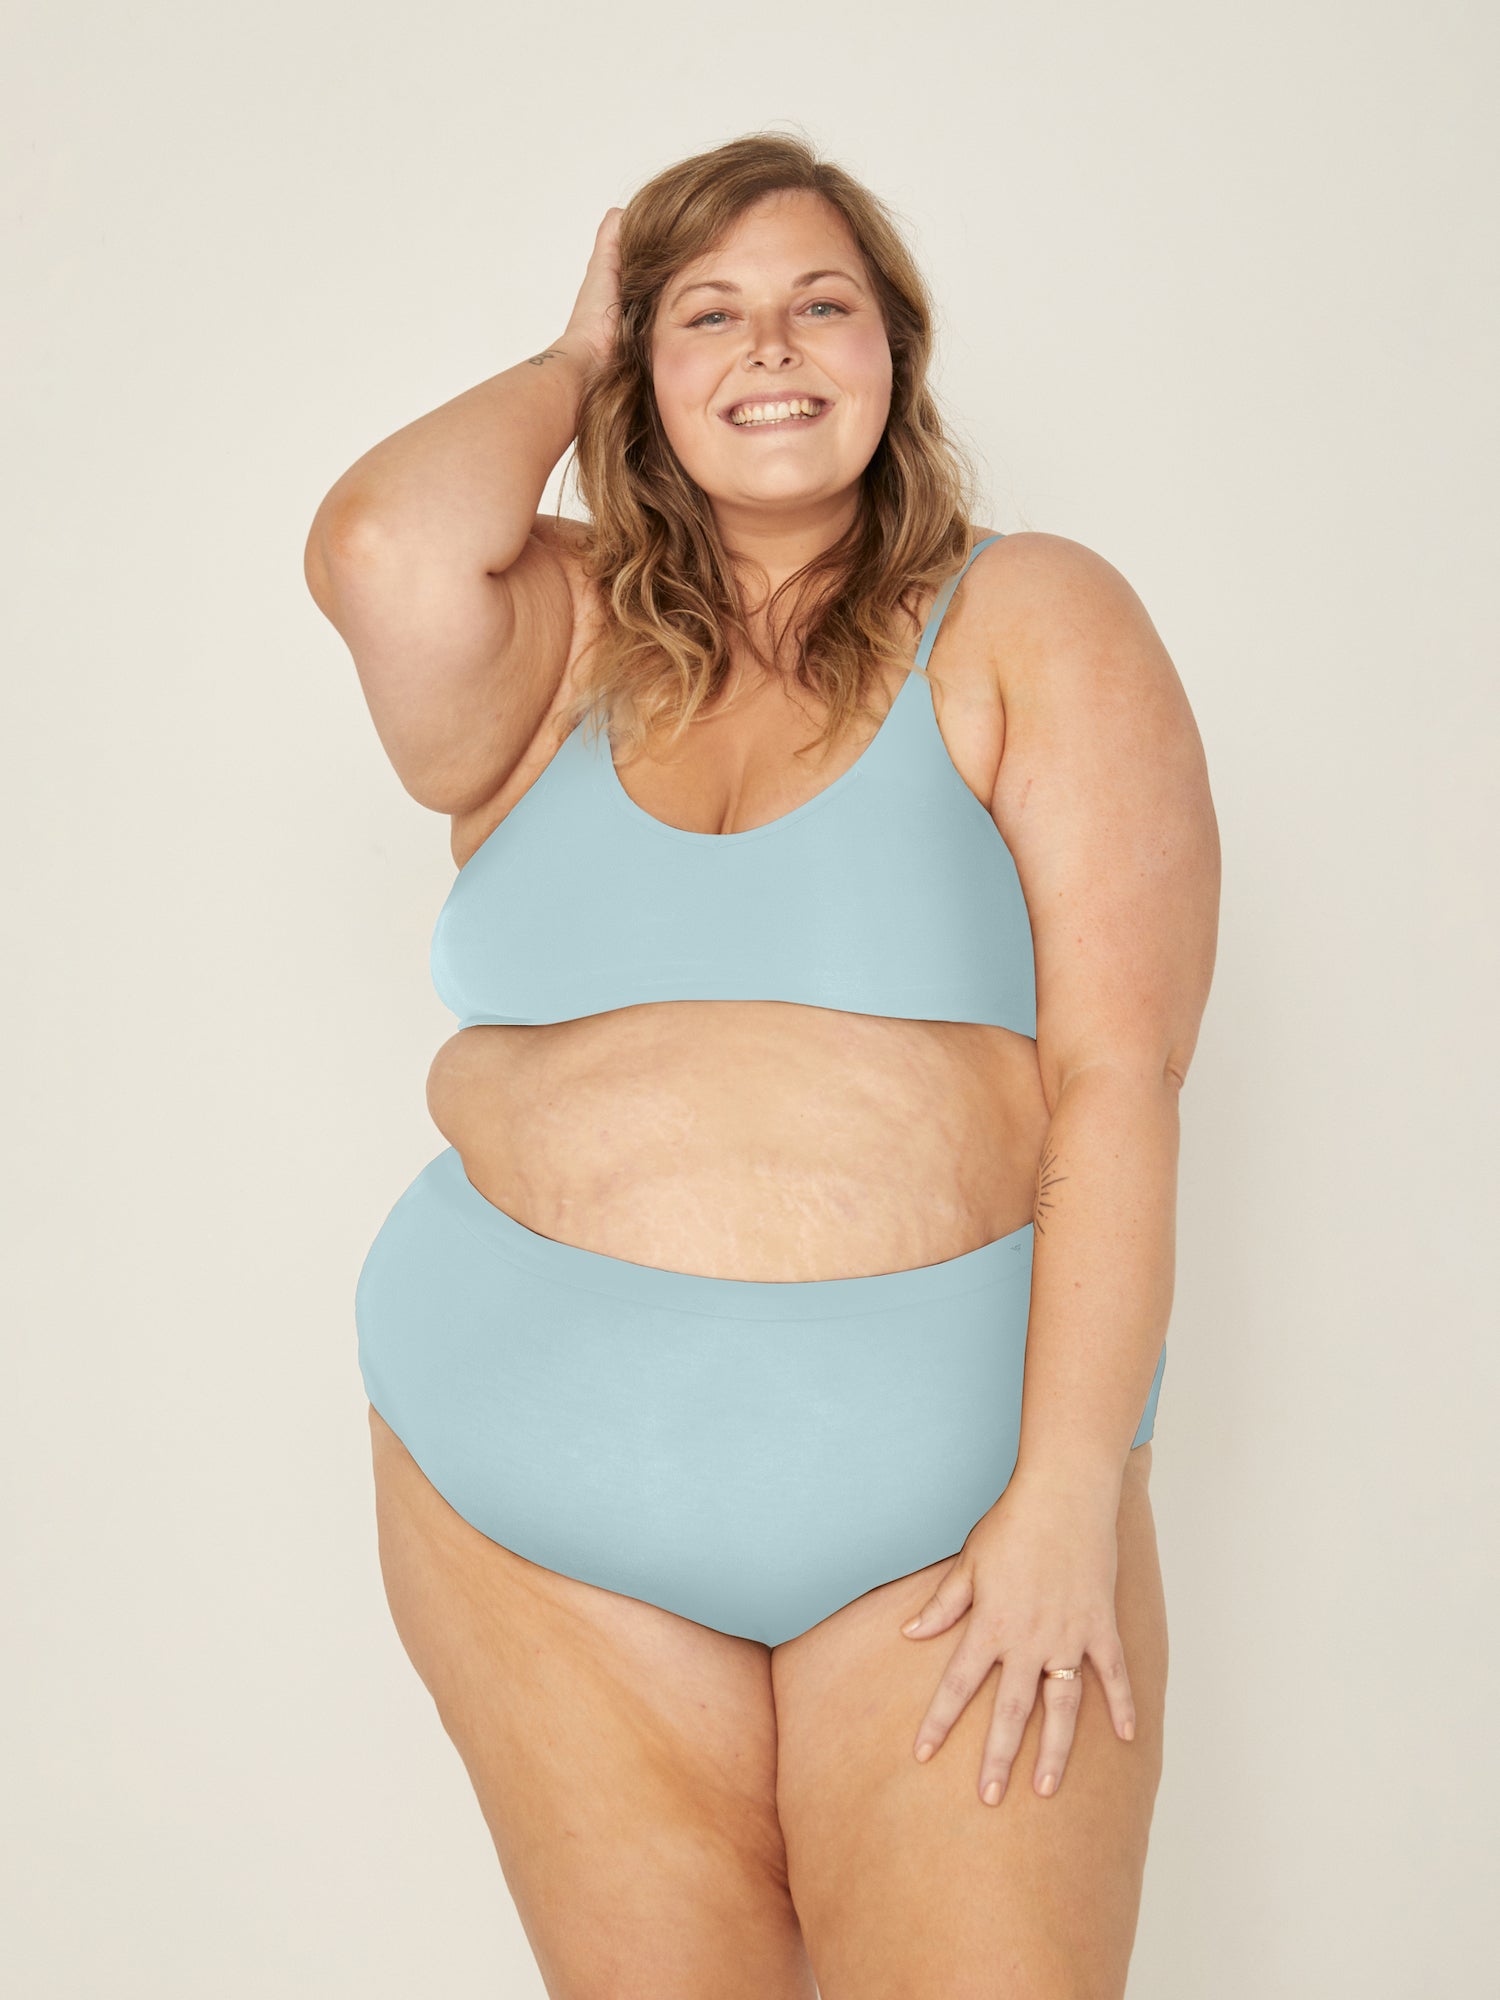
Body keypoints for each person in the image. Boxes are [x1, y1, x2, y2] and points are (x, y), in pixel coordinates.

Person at [304, 132, 1219, 2000]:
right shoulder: (552, 644)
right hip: (531, 1490)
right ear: (643, 377)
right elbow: (383, 542)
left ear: (898, 348)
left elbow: (1121, 1080)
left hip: (955, 1507)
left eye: (824, 305)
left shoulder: (1034, 615)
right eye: (706, 317)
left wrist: (1063, 1504)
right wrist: (576, 349)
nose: (772, 347)